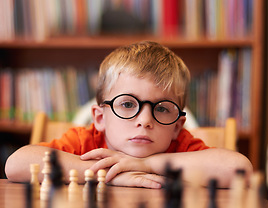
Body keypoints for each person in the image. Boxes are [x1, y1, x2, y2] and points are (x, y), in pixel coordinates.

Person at [5, 41, 253, 188]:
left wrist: (146, 164)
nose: (144, 121)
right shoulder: (85, 142)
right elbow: (16, 164)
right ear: (100, 118)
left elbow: (239, 169)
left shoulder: (179, 145)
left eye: (162, 108)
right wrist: (110, 174)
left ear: (177, 126)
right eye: (127, 104)